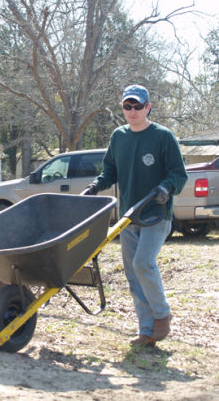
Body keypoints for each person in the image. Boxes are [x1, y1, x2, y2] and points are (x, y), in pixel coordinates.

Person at [85, 84, 188, 346]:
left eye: (138, 106)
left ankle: (162, 315)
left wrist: (166, 187)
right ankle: (146, 330)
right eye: (127, 106)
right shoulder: (119, 137)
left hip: (156, 214)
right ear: (123, 108)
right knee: (133, 272)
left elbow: (179, 173)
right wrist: (96, 186)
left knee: (143, 263)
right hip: (129, 215)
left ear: (148, 107)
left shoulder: (163, 136)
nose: (132, 111)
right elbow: (110, 170)